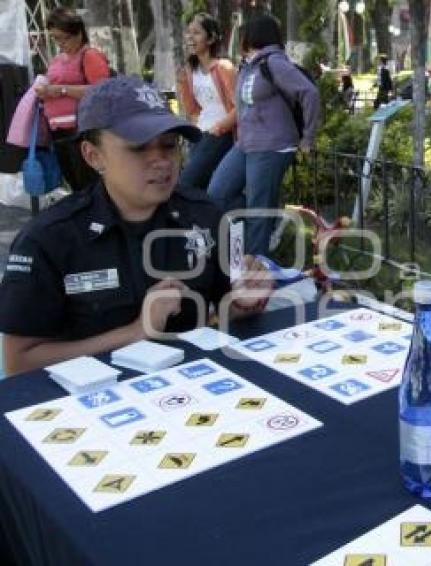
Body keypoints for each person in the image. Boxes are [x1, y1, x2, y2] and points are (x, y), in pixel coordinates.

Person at [0, 76, 273, 376]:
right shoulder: (49, 239)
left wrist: (245, 301)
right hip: (92, 408)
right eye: (140, 147)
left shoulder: (204, 215)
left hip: (198, 392)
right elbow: (19, 362)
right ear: (93, 155)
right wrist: (135, 332)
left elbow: (223, 313)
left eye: (169, 145)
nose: (161, 161)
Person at [206, 15, 320, 256]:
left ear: (254, 35)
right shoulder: (250, 65)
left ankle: (256, 267)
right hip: (246, 145)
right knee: (218, 193)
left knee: (258, 211)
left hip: (272, 146)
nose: (241, 39)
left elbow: (309, 93)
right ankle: (270, 220)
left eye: (244, 33)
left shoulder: (275, 63)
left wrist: (308, 138)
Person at [34, 7, 111, 192]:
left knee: (89, 184)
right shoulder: (57, 59)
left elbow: (102, 91)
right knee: (75, 184)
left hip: (81, 131)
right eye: (55, 38)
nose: (60, 43)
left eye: (64, 38)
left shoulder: (89, 55)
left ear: (78, 33)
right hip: (59, 132)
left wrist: (61, 90)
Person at [176, 12, 237, 192]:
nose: (190, 38)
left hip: (220, 135)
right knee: (202, 189)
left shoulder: (224, 67)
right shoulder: (189, 71)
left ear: (210, 38)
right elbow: (192, 109)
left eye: (196, 33)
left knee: (185, 184)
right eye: (188, 33)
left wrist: (218, 127)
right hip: (200, 136)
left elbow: (240, 107)